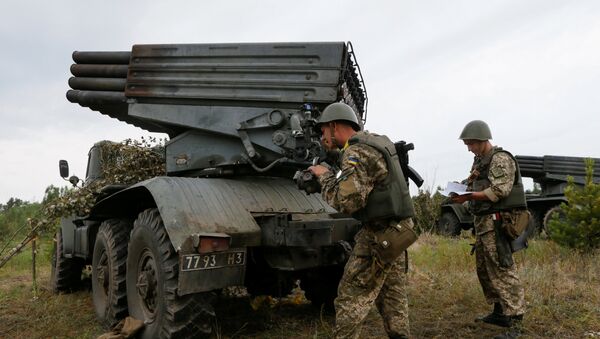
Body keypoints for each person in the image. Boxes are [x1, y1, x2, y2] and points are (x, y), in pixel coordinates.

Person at [308, 102, 416, 339]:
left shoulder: (356, 152)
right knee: (392, 295)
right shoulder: (376, 142)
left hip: (379, 235)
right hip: (398, 232)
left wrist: (323, 176)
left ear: (334, 126)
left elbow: (347, 202)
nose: (322, 137)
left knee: (351, 296)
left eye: (323, 130)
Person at [451, 120, 527, 339]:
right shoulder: (480, 161)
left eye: (471, 143)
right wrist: (459, 191)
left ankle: (516, 322)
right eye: (467, 144)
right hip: (483, 223)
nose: (469, 148)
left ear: (483, 140)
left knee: (503, 270)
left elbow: (500, 190)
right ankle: (500, 312)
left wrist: (470, 196)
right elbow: (473, 183)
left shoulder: (500, 159)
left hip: (497, 222)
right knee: (485, 270)